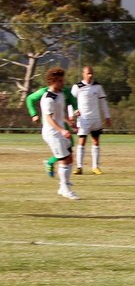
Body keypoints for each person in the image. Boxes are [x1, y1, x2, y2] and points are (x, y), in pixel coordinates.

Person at [40, 67, 79, 200]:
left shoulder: (61, 94)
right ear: (53, 81)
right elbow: (49, 118)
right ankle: (64, 188)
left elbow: (59, 115)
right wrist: (61, 130)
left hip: (61, 131)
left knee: (69, 158)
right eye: (60, 81)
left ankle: (64, 184)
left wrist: (68, 122)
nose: (63, 83)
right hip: (52, 133)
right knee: (64, 159)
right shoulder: (48, 98)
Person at [26, 85, 78, 177]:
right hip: (51, 126)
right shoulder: (44, 92)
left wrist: (75, 110)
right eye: (59, 80)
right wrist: (33, 114)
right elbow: (30, 99)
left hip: (63, 123)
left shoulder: (64, 92)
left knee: (69, 150)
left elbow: (72, 101)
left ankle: (51, 164)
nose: (62, 83)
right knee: (64, 153)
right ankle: (63, 183)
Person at [70, 66, 112, 175]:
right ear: (83, 74)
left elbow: (103, 102)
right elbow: (70, 102)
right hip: (83, 119)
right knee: (82, 142)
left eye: (91, 73)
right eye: (88, 73)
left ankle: (95, 167)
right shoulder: (77, 86)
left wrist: (107, 116)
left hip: (95, 119)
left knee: (96, 142)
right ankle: (79, 167)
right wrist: (72, 114)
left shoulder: (97, 86)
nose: (90, 75)